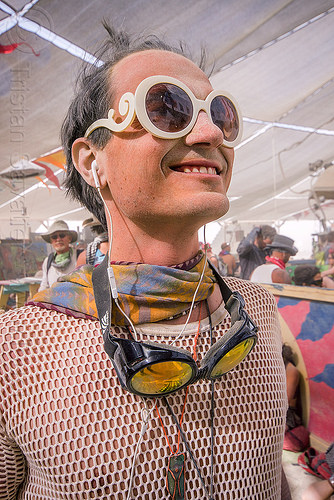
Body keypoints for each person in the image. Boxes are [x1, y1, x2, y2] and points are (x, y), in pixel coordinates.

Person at [0, 24, 291, 499]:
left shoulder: (258, 310)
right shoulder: (16, 349)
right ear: (94, 161)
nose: (212, 132)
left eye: (220, 113)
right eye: (166, 108)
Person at [38, 219, 78, 291]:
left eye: (62, 235)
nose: (58, 239)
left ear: (69, 238)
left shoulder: (78, 257)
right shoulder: (48, 261)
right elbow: (44, 285)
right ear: (51, 241)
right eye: (54, 237)